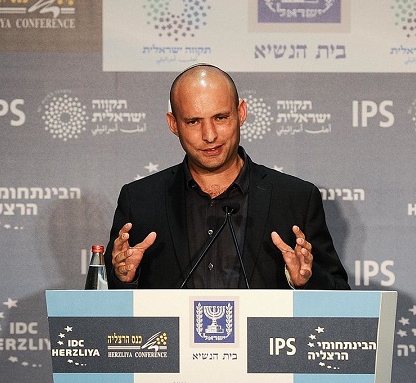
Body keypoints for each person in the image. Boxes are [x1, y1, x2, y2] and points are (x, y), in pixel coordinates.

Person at [105, 63, 349, 290]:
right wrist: (124, 278)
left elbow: (341, 297)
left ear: (241, 113)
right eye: (193, 121)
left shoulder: (295, 198)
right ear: (173, 124)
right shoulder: (140, 201)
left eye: (220, 118)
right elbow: (99, 303)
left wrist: (305, 281)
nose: (210, 135)